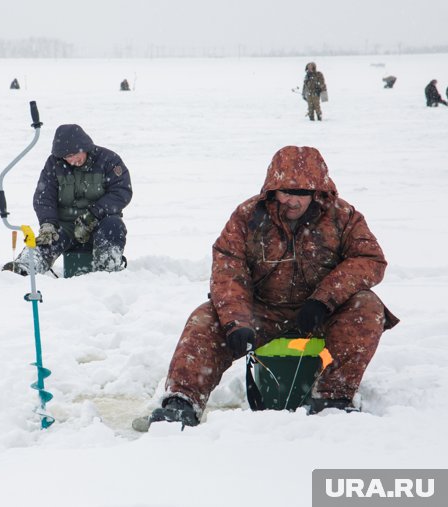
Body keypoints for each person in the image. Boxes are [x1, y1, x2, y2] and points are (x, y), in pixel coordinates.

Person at [146, 146, 399, 429]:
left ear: (317, 191)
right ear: (272, 189)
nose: (292, 201)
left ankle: (333, 399)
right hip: (261, 312)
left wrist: (323, 300)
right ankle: (181, 401)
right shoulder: (247, 216)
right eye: (285, 192)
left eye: (302, 193)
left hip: (320, 313)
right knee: (205, 318)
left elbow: (369, 259)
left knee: (367, 306)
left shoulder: (344, 217)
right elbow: (228, 269)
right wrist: (236, 322)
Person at [3, 124, 133, 275]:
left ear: (84, 147)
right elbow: (44, 196)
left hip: (100, 221)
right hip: (66, 226)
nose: (71, 161)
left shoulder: (109, 160)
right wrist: (48, 224)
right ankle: (25, 266)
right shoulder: (54, 164)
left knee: (113, 226)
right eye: (66, 157)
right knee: (47, 239)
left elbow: (121, 192)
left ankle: (108, 267)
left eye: (73, 155)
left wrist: (93, 215)